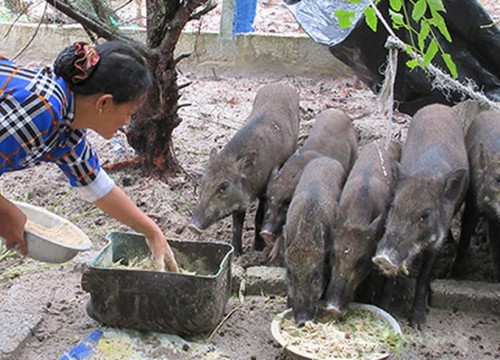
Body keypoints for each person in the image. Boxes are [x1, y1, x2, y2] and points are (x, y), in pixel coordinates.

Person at [0, 40, 179, 272]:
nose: (127, 123)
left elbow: (98, 187)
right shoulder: (43, 107)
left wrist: (152, 232)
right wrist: (6, 211)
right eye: (129, 113)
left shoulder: (68, 129)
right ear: (104, 103)